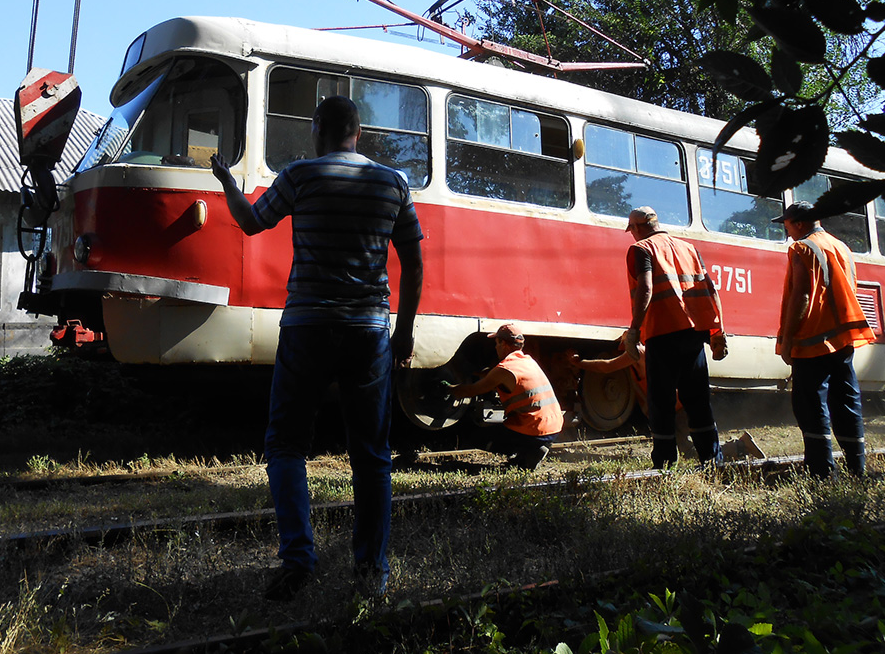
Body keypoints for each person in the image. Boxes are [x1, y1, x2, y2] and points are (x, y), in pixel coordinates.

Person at [210, 95, 423, 602]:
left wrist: (228, 185)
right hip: (369, 331)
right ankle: (371, 570)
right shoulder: (393, 183)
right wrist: (406, 331)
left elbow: (251, 221)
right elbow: (413, 264)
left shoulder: (300, 176)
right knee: (371, 454)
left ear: (315, 129)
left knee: (285, 444)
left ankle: (298, 558)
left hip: (307, 326)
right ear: (359, 132)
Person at [774, 201, 875, 478]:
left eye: (787, 225)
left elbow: (802, 296)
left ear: (799, 223)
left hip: (812, 341)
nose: (787, 231)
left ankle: (821, 471)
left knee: (809, 404)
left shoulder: (802, 248)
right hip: (842, 338)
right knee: (846, 400)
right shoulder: (841, 246)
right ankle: (857, 467)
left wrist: (788, 339)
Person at [623, 206, 727, 469]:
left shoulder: (642, 249)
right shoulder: (688, 248)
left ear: (636, 228)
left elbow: (646, 287)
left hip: (661, 333)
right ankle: (712, 460)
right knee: (698, 400)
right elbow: (710, 288)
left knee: (661, 401)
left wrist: (634, 330)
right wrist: (718, 331)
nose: (632, 235)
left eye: (632, 230)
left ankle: (665, 464)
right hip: (693, 334)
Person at [573, 343, 764, 460]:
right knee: (686, 449)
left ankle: (739, 445)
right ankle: (736, 446)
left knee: (690, 451)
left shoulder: (638, 353)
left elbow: (608, 366)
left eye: (624, 337)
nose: (621, 342)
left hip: (680, 406)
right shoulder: (637, 358)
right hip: (674, 407)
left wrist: (579, 362)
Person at [448, 323, 563, 469]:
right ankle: (529, 452)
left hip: (534, 430)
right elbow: (494, 376)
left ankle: (528, 451)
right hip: (554, 427)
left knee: (475, 437)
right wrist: (473, 372)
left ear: (503, 343)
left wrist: (447, 388)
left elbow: (471, 390)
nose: (495, 347)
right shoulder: (528, 361)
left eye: (496, 343)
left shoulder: (504, 369)